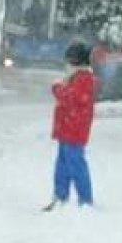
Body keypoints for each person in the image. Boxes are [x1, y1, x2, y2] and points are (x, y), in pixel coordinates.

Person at [43, 40, 100, 211]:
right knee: (63, 164)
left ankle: (85, 199)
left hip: (74, 130)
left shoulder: (84, 78)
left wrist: (57, 89)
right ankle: (60, 196)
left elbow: (72, 98)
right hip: (67, 130)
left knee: (75, 164)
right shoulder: (75, 77)